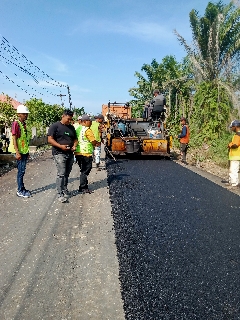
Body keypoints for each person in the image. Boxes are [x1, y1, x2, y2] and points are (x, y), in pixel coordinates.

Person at [48, 109, 78, 203]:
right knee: (61, 173)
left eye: (71, 119)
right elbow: (50, 139)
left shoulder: (71, 127)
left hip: (69, 153)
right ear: (63, 116)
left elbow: (75, 139)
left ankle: (65, 189)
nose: (69, 121)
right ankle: (60, 193)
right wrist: (60, 146)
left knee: (67, 173)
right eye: (68, 119)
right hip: (59, 153)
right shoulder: (55, 126)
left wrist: (74, 146)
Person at [8, 104, 31, 198]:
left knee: (22, 171)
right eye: (24, 114)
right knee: (21, 171)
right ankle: (20, 190)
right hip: (19, 152)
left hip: (24, 151)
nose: (26, 115)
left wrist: (27, 152)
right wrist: (17, 152)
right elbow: (14, 139)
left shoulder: (23, 124)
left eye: (26, 114)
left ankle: (22, 188)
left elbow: (24, 140)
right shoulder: (16, 124)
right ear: (19, 114)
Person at [75, 114, 100, 193]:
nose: (91, 123)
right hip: (86, 153)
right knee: (85, 170)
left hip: (78, 153)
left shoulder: (78, 128)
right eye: (90, 121)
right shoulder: (87, 130)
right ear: (85, 122)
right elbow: (93, 141)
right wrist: (96, 144)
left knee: (83, 170)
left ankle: (83, 186)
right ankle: (83, 187)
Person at [227, 120, 240, 188]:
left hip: (235, 156)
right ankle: (233, 182)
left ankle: (233, 184)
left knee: (233, 170)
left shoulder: (238, 135)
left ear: (235, 126)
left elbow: (235, 145)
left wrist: (230, 145)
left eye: (232, 127)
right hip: (236, 156)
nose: (231, 129)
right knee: (235, 170)